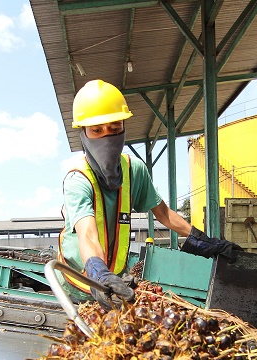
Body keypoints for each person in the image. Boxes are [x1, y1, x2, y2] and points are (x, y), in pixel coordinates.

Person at [57, 79, 242, 309]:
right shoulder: (78, 180)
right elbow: (87, 234)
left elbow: (163, 213)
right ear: (83, 133)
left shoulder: (133, 170)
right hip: (81, 282)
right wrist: (97, 272)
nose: (107, 136)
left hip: (114, 282)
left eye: (114, 129)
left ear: (124, 128)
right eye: (97, 130)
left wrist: (201, 240)